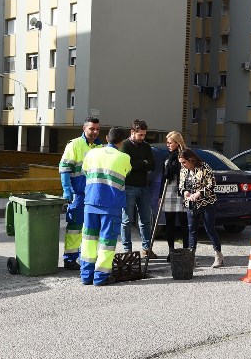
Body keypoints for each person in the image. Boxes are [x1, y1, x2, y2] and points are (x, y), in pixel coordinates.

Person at [79, 127, 131, 285]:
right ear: (121, 142)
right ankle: (100, 278)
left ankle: (86, 276)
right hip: (111, 204)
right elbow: (126, 173)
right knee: (107, 241)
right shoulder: (124, 157)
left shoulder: (92, 153)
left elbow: (85, 171)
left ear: (107, 138)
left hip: (91, 201)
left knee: (88, 240)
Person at [58, 117, 102, 270]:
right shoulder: (74, 145)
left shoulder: (100, 147)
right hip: (78, 194)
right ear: (84, 128)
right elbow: (64, 168)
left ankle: (87, 258)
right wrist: (67, 189)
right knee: (75, 227)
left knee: (91, 228)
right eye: (92, 129)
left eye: (97, 129)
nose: (95, 132)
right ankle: (70, 259)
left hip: (94, 195)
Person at [178, 149, 224, 268]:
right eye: (181, 163)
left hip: (207, 203)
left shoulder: (204, 167)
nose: (182, 165)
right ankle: (191, 258)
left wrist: (199, 193)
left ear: (191, 160)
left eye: (184, 162)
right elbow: (181, 185)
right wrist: (185, 192)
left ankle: (218, 256)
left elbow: (212, 184)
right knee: (192, 231)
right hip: (191, 205)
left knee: (210, 229)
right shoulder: (183, 170)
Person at [120, 119, 156, 257]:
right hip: (129, 187)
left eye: (144, 135)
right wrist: (143, 163)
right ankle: (127, 251)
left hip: (143, 187)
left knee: (146, 219)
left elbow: (152, 165)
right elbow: (127, 165)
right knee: (127, 220)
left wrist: (138, 164)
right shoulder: (124, 145)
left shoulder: (146, 146)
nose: (143, 137)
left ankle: (146, 248)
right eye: (140, 135)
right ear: (132, 132)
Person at [159, 131, 189, 257]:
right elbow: (163, 176)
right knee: (169, 222)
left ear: (177, 143)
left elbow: (187, 174)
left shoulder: (185, 155)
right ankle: (171, 250)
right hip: (168, 190)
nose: (168, 145)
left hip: (181, 190)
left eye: (170, 142)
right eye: (167, 142)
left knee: (183, 222)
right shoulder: (168, 156)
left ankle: (186, 250)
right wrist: (160, 195)